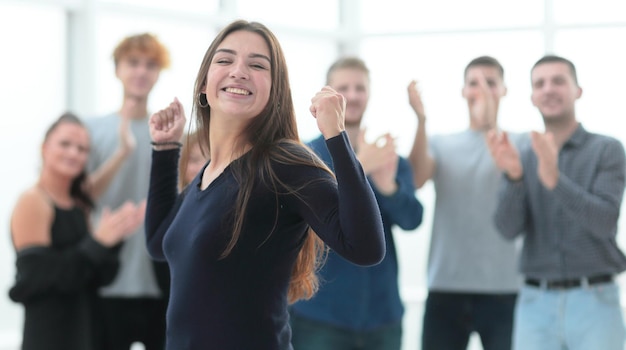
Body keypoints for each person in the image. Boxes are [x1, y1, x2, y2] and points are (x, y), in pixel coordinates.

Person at [144, 20, 386, 350]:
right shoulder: (208, 175)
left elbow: (366, 247)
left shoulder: (283, 164)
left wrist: (336, 136)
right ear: (203, 83)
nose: (238, 71)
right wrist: (165, 150)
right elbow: (159, 243)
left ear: (275, 90)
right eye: (225, 60)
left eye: (257, 64)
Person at [488, 55, 626, 350]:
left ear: (578, 90)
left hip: (596, 301)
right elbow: (507, 229)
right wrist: (514, 177)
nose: (549, 89)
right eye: (540, 83)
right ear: (533, 97)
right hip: (536, 304)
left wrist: (554, 180)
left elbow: (604, 221)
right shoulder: (522, 154)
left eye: (558, 81)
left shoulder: (607, 149)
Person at [289, 57, 423, 350]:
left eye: (360, 88)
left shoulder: (389, 157)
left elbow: (413, 219)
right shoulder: (304, 156)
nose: (353, 95)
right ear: (329, 94)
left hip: (383, 316)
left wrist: (388, 186)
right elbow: (305, 221)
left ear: (370, 93)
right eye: (343, 88)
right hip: (320, 315)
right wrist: (361, 165)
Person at [408, 56, 524, 350]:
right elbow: (417, 178)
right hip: (446, 287)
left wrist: (491, 127)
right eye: (474, 82)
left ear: (504, 90)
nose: (482, 89)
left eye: (491, 83)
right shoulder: (442, 143)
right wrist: (421, 121)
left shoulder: (520, 144)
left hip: (505, 288)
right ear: (463, 91)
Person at [8, 113, 145, 350]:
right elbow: (36, 278)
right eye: (65, 144)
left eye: (82, 149)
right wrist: (97, 243)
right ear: (44, 147)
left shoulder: (79, 205)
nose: (74, 153)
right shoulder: (33, 201)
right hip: (49, 336)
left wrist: (112, 241)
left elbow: (97, 276)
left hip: (85, 332)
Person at [85, 32, 171, 350]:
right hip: (106, 281)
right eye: (133, 63)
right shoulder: (91, 130)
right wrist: (121, 152)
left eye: (150, 65)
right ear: (117, 69)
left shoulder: (170, 134)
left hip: (160, 282)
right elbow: (80, 198)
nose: (141, 72)